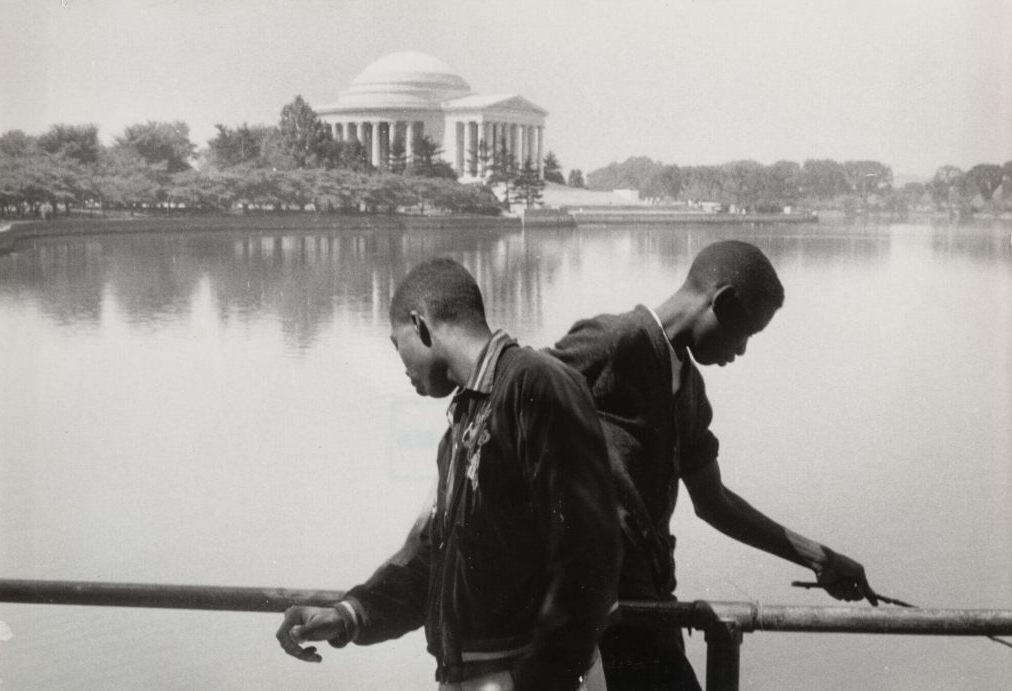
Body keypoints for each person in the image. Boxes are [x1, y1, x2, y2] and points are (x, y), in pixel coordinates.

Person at [275, 257, 621, 690]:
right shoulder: (465, 420)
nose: (401, 366)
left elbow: (591, 555)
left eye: (395, 343)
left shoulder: (535, 384)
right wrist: (348, 614)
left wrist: (543, 674)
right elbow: (433, 560)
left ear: (420, 325)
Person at [547, 240, 878, 690]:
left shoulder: (690, 392)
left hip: (651, 608)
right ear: (719, 302)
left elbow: (713, 502)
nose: (741, 351)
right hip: (597, 614)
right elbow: (514, 396)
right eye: (746, 333)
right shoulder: (615, 341)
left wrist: (816, 557)